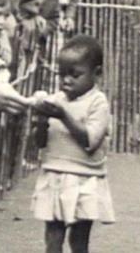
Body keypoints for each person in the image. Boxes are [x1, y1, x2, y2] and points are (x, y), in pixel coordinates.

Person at [30, 34, 115, 253]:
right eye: (62, 75)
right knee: (53, 237)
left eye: (75, 75)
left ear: (96, 73)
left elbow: (90, 141)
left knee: (78, 240)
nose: (66, 80)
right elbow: (40, 144)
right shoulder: (56, 100)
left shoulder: (98, 103)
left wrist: (63, 116)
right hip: (54, 175)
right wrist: (41, 120)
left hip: (84, 177)